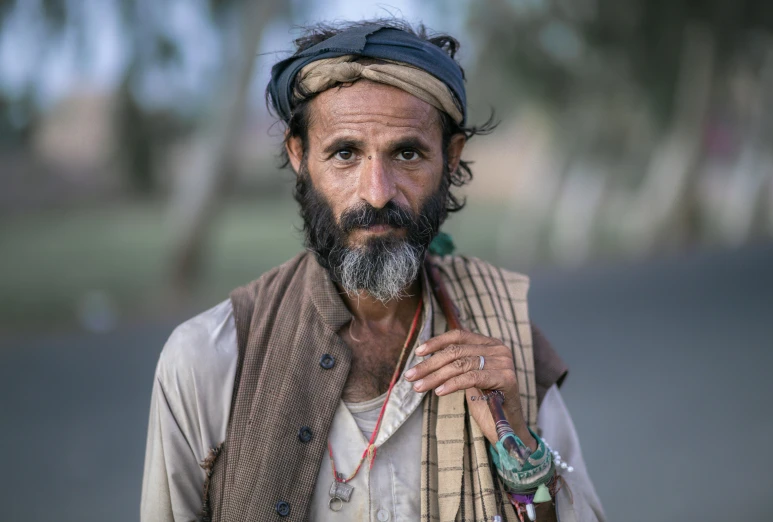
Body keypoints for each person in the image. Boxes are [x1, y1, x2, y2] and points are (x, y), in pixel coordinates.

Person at [141, 20, 606, 522]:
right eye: (345, 153)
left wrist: (519, 448)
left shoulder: (505, 341)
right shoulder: (208, 360)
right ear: (299, 156)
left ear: (451, 160)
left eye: (407, 153)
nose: (377, 191)